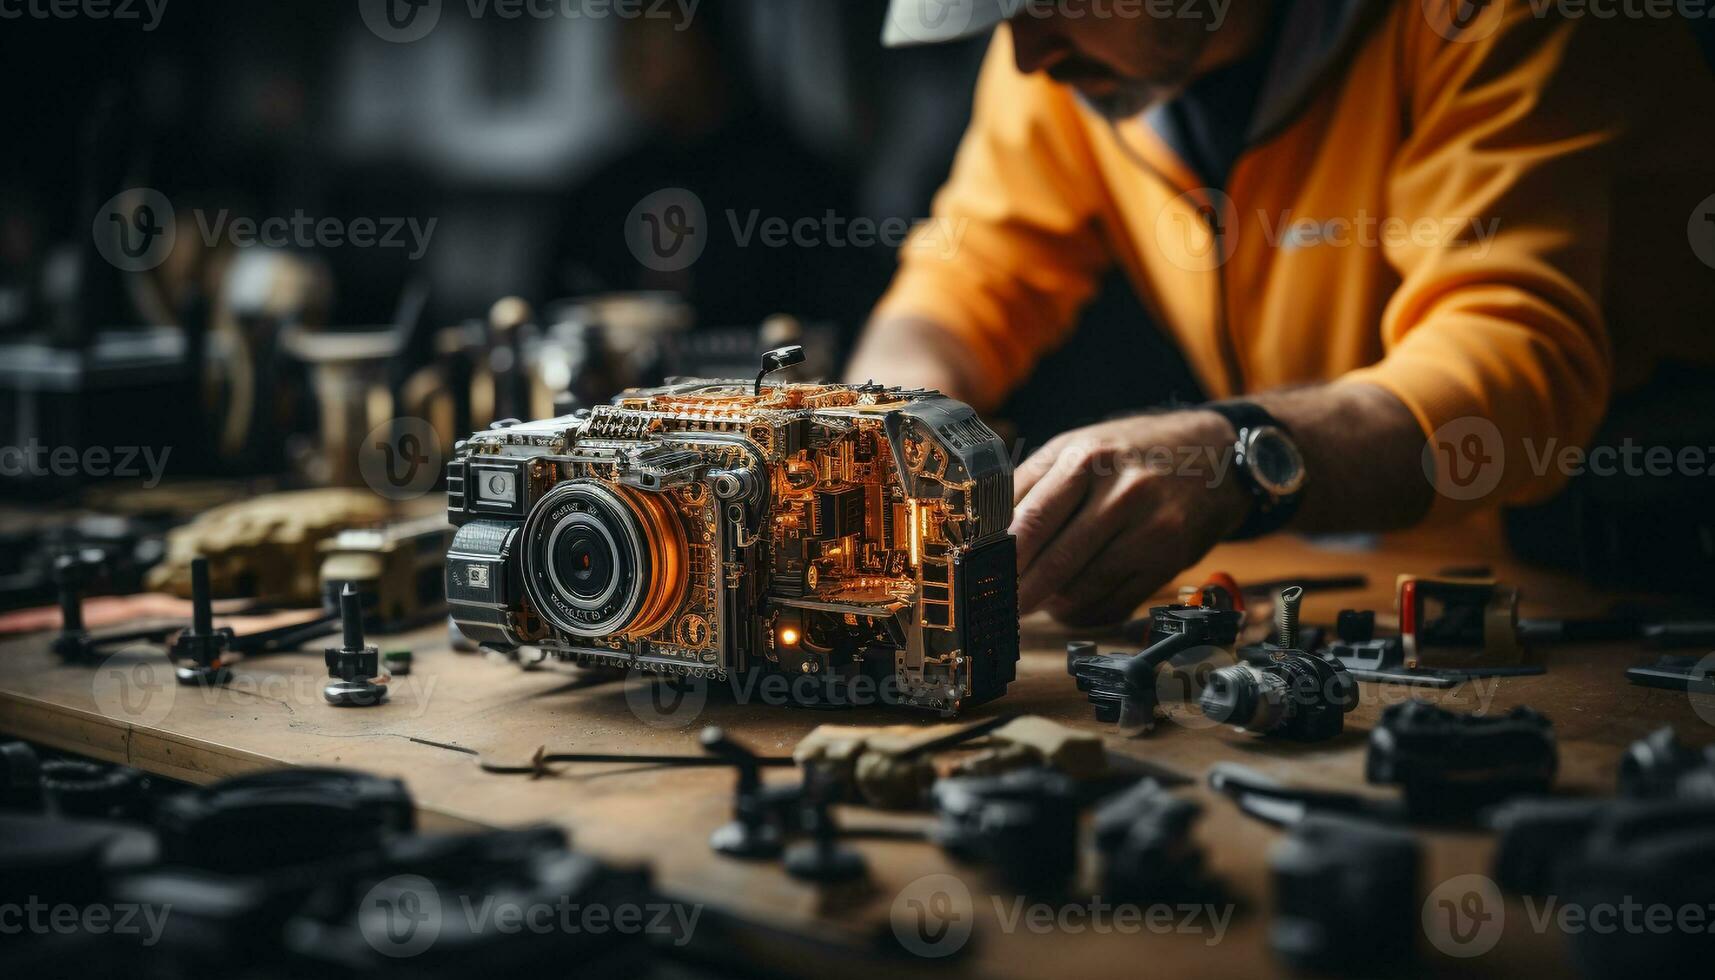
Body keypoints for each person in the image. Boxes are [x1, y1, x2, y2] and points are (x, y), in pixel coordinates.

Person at [846, 0, 1715, 625]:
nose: (1025, 51)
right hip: (1375, 565)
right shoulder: (1071, 58)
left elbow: (1511, 362)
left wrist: (1232, 458)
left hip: (1631, 569)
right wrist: (882, 431)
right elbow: (970, 278)